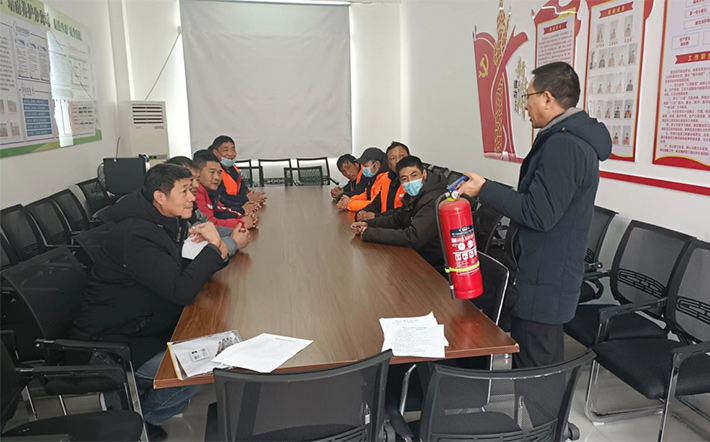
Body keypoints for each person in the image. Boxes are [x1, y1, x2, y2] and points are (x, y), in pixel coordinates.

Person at [456, 62, 611, 368]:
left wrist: (485, 189)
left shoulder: (565, 146)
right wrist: (486, 188)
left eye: (527, 97)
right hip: (541, 273)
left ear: (547, 98)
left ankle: (542, 404)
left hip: (546, 279)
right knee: (533, 361)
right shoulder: (563, 140)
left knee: (537, 368)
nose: (525, 106)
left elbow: (539, 214)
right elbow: (538, 202)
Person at [71, 164, 238, 439]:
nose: (192, 198)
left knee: (218, 339)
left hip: (146, 326)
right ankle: (142, 420)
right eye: (184, 191)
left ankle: (143, 406)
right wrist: (212, 248)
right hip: (115, 343)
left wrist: (214, 249)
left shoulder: (166, 222)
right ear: (160, 197)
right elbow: (181, 289)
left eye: (192, 190)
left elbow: (182, 270)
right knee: (203, 366)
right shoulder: (136, 235)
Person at [351, 155, 448, 272]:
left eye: (414, 175)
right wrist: (368, 224)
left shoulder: (434, 199)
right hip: (414, 255)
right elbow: (398, 218)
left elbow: (413, 237)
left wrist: (369, 233)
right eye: (404, 178)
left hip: (432, 265)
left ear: (424, 174)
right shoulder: (414, 194)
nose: (410, 182)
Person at [166, 156, 251, 257]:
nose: (196, 185)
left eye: (197, 179)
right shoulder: (170, 218)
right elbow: (197, 252)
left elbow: (208, 226)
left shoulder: (193, 205)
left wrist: (234, 231)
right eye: (190, 181)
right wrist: (233, 241)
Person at [193, 149, 257, 230]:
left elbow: (221, 210)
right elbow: (209, 224)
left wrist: (243, 216)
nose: (217, 177)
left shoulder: (211, 191)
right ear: (197, 173)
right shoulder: (197, 192)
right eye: (212, 172)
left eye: (219, 173)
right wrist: (241, 223)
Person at [209, 135, 265, 215]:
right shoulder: (215, 173)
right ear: (215, 153)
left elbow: (242, 187)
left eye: (233, 150)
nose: (231, 154)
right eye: (226, 150)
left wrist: (247, 195)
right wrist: (246, 199)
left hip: (238, 206)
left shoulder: (233, 168)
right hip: (228, 211)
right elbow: (223, 198)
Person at [356, 142, 409, 221]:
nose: (397, 161)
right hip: (386, 224)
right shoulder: (387, 179)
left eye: (401, 156)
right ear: (388, 164)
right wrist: (362, 212)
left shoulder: (414, 182)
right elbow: (377, 203)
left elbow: (402, 213)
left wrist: (376, 216)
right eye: (392, 158)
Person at [336, 147, 387, 212]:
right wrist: (349, 200)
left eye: (365, 166)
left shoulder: (386, 178)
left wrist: (349, 203)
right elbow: (367, 195)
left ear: (377, 164)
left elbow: (375, 204)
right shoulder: (374, 177)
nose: (363, 168)